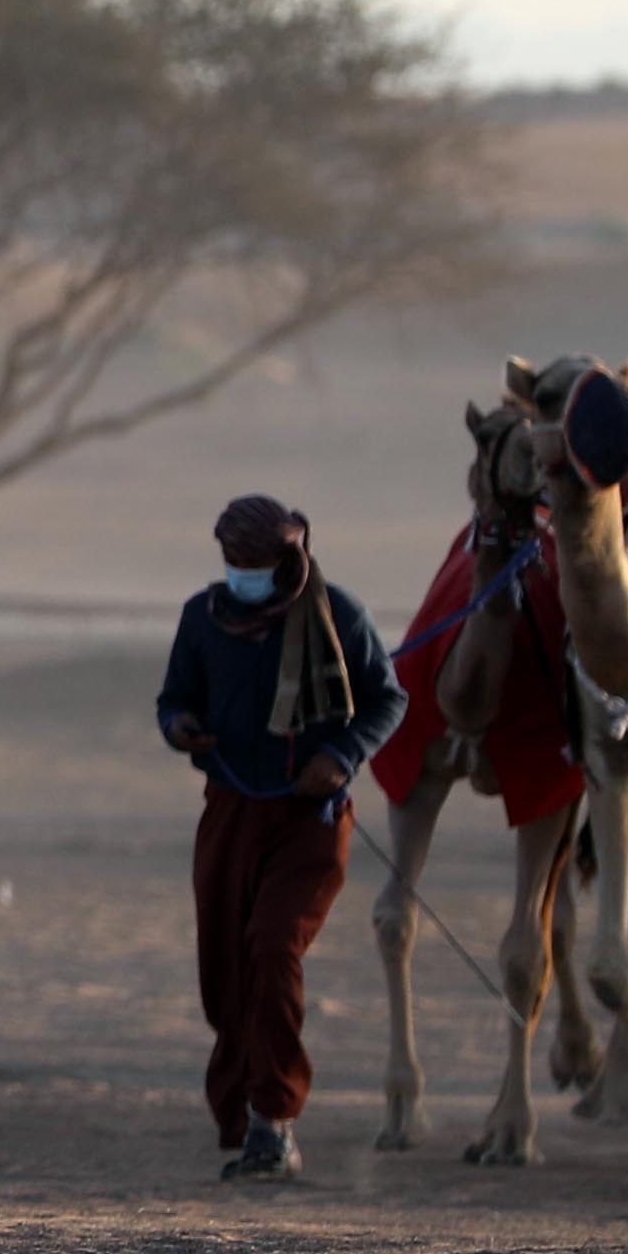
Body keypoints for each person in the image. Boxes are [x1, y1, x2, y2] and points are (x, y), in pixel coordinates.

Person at [155, 489, 400, 1180]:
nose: (241, 572)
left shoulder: (335, 615)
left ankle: (275, 1119)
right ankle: (240, 1104)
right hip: (230, 810)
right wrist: (180, 730)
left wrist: (340, 757)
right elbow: (173, 699)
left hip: (310, 821)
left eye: (253, 562)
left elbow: (388, 699)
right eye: (232, 560)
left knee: (273, 944)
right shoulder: (202, 618)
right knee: (225, 970)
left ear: (286, 558)